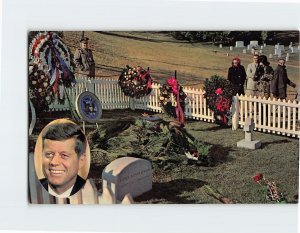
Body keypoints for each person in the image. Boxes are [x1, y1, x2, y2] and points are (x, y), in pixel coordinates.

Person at [40, 122, 87, 198]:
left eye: (64, 155)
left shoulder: (89, 193)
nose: (54, 162)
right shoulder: (30, 190)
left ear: (81, 160)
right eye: (49, 154)